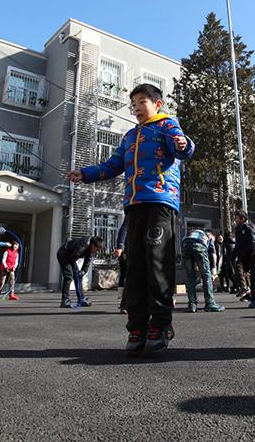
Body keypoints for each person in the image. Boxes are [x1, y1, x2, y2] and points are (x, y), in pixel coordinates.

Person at [68, 82, 195, 355]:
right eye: (133, 105)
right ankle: (137, 327)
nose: (136, 108)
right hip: (133, 206)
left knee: (157, 264)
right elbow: (112, 166)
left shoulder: (167, 125)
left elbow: (183, 149)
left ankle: (160, 325)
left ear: (157, 104)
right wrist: (85, 174)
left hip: (161, 203)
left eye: (142, 103)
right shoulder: (129, 136)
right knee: (135, 267)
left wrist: (184, 144)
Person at [180, 229, 225, 313]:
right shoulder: (209, 236)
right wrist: (214, 269)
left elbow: (189, 246)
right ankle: (210, 303)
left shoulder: (193, 232)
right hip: (199, 245)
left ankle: (192, 304)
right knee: (206, 275)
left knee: (190, 277)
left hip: (185, 245)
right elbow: (213, 254)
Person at [56, 235, 103, 308]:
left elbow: (87, 262)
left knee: (78, 276)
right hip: (63, 254)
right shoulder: (83, 246)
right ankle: (64, 300)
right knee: (68, 276)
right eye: (96, 249)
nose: (96, 251)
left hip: (71, 257)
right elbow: (72, 258)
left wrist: (83, 271)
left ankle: (81, 299)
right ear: (93, 245)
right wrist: (77, 272)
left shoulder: (90, 248)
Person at [232, 214, 255, 298]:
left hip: (249, 253)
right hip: (241, 253)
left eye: (237, 218)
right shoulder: (238, 228)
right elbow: (238, 243)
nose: (235, 220)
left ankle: (244, 288)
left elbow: (253, 241)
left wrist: (250, 252)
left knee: (239, 266)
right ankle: (248, 293)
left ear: (242, 219)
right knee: (244, 272)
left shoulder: (248, 227)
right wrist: (233, 255)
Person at [114, 217, 128, 314]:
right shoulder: (133, 212)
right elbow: (124, 228)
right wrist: (120, 246)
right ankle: (124, 304)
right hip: (128, 252)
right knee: (127, 277)